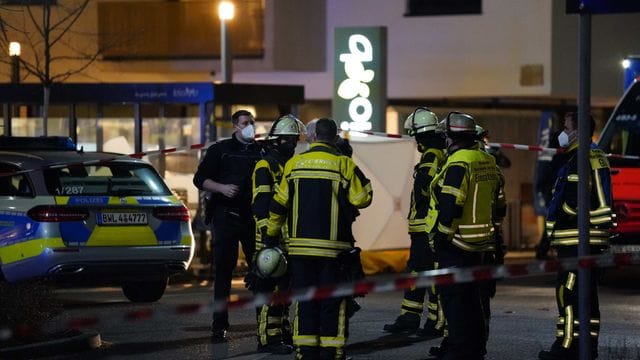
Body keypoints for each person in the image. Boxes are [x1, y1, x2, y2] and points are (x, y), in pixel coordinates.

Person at [264, 118, 373, 360]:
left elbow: (278, 205)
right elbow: (362, 199)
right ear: (334, 139)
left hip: (300, 251)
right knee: (333, 304)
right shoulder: (343, 165)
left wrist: (270, 237)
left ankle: (306, 352)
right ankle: (331, 353)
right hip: (335, 252)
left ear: (312, 138)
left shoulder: (294, 165)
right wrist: (353, 167)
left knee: (306, 302)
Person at [426, 112, 503, 360]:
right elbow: (499, 205)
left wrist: (440, 237)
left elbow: (451, 204)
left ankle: (459, 352)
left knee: (455, 304)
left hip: (456, 244)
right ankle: (475, 350)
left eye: (446, 135)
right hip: (480, 245)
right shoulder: (487, 160)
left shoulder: (459, 162)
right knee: (473, 303)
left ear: (452, 137)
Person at [538, 112, 613, 360]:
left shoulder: (578, 160)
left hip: (575, 242)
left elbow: (573, 203)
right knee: (587, 301)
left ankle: (567, 348)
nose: (562, 131)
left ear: (577, 131)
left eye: (566, 126)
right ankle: (586, 349)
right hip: (592, 241)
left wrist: (554, 223)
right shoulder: (596, 155)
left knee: (568, 297)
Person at [192, 109, 265, 341]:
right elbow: (199, 179)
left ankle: (263, 323)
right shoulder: (220, 150)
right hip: (226, 216)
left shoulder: (260, 151)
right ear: (235, 126)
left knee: (261, 272)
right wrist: (222, 188)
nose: (250, 126)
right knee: (223, 272)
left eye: (252, 122)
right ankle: (219, 324)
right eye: (245, 123)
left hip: (252, 219)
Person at [383, 107, 446, 337]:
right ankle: (409, 317)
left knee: (427, 274)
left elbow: (426, 188)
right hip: (423, 226)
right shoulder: (439, 153)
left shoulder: (431, 156)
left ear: (420, 134)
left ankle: (433, 322)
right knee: (417, 272)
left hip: (425, 227)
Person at [249, 114, 305, 354]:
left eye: (295, 141)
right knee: (268, 292)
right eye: (289, 141)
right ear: (277, 141)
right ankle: (268, 340)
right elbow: (260, 205)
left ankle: (281, 333)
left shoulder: (284, 166)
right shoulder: (265, 166)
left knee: (283, 291)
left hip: (285, 239)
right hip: (269, 239)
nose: (293, 145)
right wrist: (269, 239)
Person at [475, 125, 508, 343]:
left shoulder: (461, 163)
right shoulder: (492, 167)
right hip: (491, 239)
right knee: (484, 295)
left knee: (468, 297)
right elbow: (501, 207)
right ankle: (480, 341)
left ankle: (466, 344)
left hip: (466, 244)